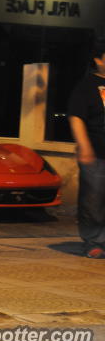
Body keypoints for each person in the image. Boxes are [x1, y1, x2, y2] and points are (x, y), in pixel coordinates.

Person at [68, 51, 105, 259]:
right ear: (99, 61)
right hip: (97, 153)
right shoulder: (87, 86)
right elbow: (76, 116)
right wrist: (84, 146)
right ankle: (94, 242)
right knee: (93, 199)